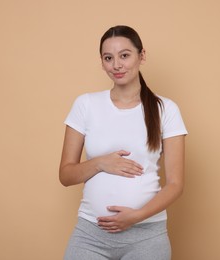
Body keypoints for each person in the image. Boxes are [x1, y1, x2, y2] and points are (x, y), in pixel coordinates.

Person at [59, 25, 188, 260]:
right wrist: (100, 163)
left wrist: (136, 216)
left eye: (124, 55)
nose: (116, 65)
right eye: (108, 58)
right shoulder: (85, 105)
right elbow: (66, 176)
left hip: (147, 237)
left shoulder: (165, 109)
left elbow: (176, 184)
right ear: (102, 62)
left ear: (142, 56)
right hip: (91, 234)